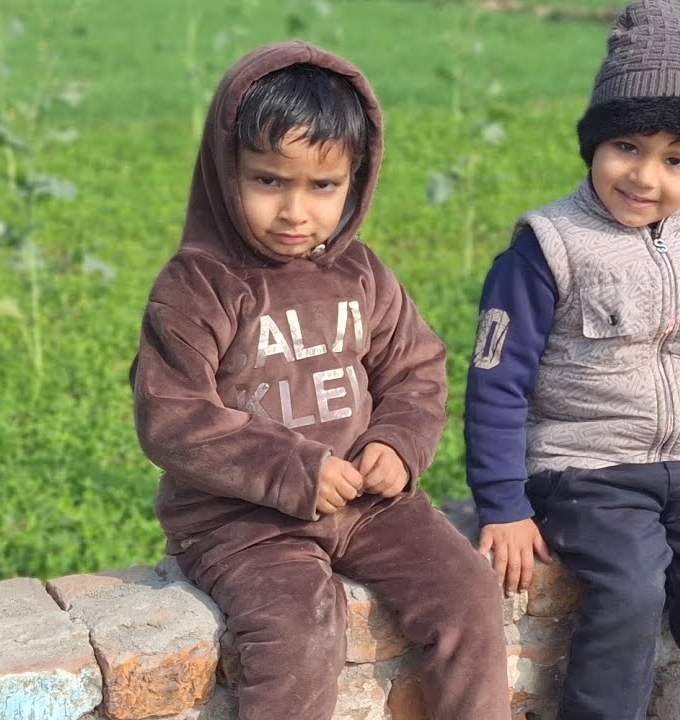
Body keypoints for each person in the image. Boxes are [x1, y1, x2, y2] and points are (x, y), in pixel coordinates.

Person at [131, 41, 511, 720]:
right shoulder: (199, 284)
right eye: (269, 181)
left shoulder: (360, 275)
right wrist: (295, 468)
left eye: (322, 186)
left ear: (355, 182)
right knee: (301, 637)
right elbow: (173, 417)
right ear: (226, 171)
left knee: (469, 594)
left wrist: (397, 443)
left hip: (368, 504)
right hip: (243, 523)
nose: (295, 212)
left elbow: (415, 366)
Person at [463, 1, 680, 717]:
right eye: (627, 147)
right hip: (591, 476)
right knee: (629, 593)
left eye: (676, 160)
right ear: (594, 140)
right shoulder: (548, 246)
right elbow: (497, 384)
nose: (646, 176)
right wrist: (503, 506)